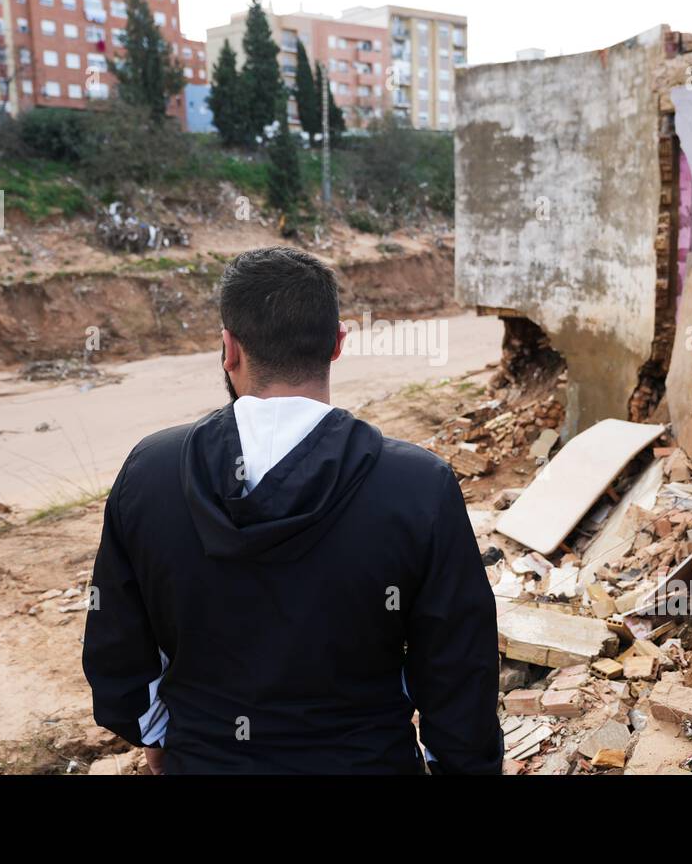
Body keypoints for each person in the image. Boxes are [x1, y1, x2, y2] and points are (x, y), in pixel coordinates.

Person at [82, 246, 501, 774]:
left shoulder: (149, 472)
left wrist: (159, 736)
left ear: (229, 348)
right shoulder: (418, 485)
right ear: (337, 344)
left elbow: (118, 647)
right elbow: (459, 668)